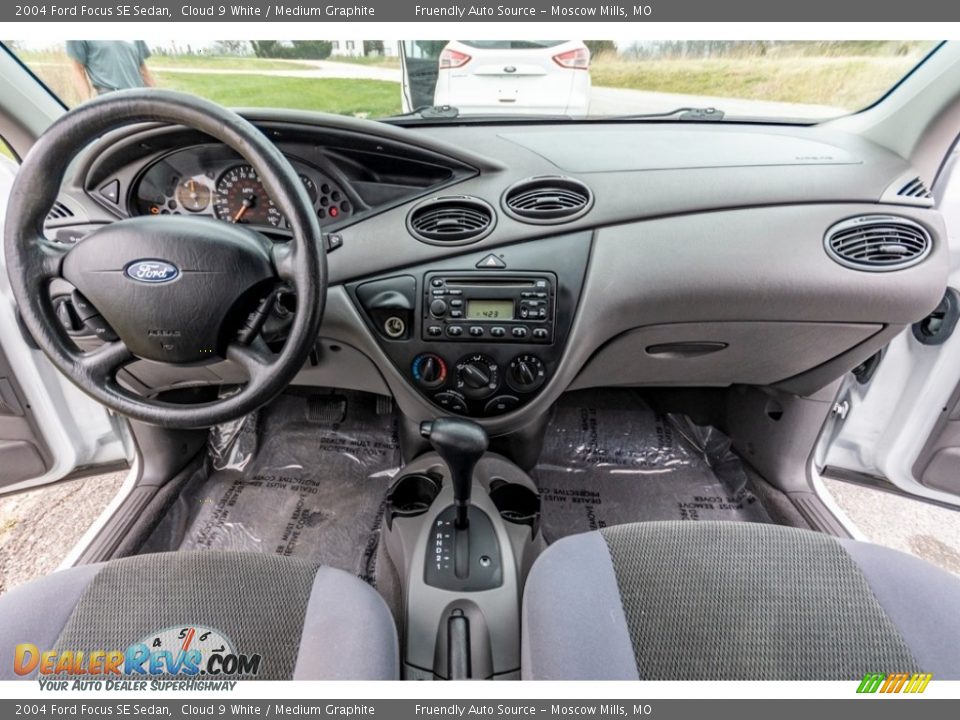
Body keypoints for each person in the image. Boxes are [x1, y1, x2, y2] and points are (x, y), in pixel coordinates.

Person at [66, 41, 156, 102]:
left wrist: (157, 99)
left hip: (140, 99)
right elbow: (78, 70)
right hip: (110, 102)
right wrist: (87, 105)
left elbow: (143, 70)